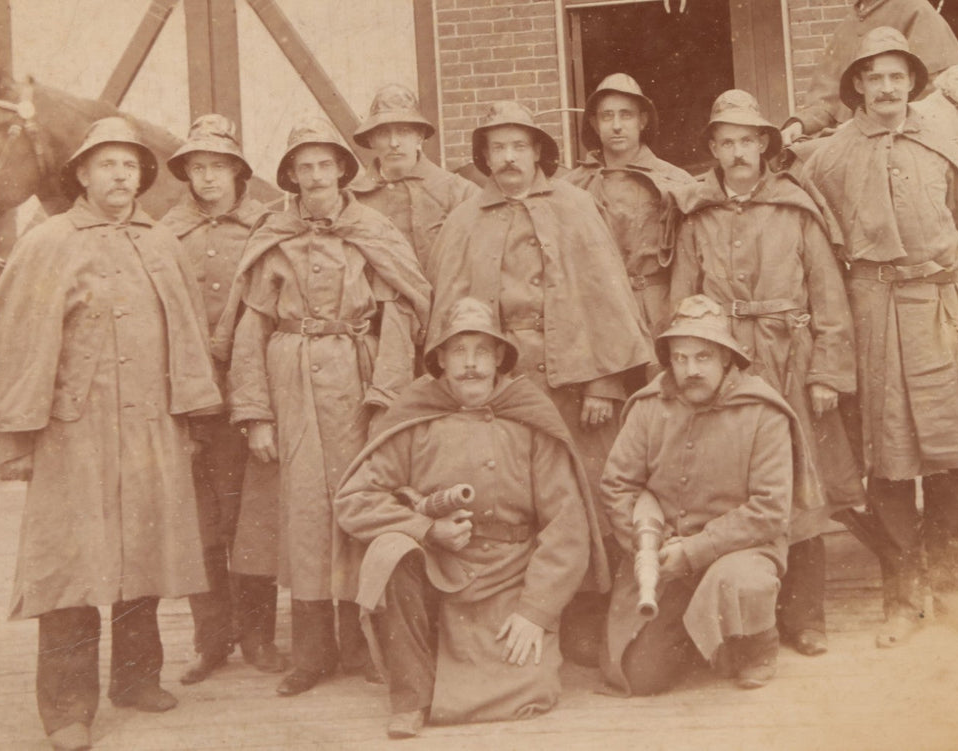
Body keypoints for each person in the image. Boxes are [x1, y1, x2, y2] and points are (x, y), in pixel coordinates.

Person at [0, 117, 221, 751]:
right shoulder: (49, 242)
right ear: (82, 175)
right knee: (70, 568)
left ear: (142, 176)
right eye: (107, 165)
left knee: (144, 554)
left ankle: (136, 678)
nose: (120, 176)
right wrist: (17, 441)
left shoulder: (161, 243)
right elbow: (13, 344)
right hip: (76, 434)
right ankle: (67, 708)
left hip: (153, 427)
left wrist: (191, 421)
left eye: (130, 166)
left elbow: (184, 337)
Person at [798, 27, 958, 648]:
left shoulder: (941, 142)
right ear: (857, 85)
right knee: (888, 461)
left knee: (949, 453)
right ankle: (901, 600)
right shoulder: (833, 156)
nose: (887, 88)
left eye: (898, 76)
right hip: (873, 311)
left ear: (912, 82)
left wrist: (952, 292)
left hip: (941, 309)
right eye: (875, 77)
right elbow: (825, 251)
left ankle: (950, 590)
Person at [425, 100, 654, 664]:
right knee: (512, 496)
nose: (508, 158)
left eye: (519, 146)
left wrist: (605, 382)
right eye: (497, 148)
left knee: (581, 497)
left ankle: (587, 615)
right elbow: (450, 309)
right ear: (483, 156)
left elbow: (606, 296)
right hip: (496, 386)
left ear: (537, 152)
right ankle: (523, 613)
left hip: (572, 384)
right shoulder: (465, 218)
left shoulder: (575, 206)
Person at [220, 116, 433, 696]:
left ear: (343, 168)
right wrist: (256, 413)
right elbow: (251, 326)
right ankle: (312, 653)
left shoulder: (374, 229)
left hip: (356, 376)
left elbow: (402, 314)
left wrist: (386, 394)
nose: (314, 176)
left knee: (360, 503)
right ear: (290, 175)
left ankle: (364, 640)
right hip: (290, 383)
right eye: (302, 167)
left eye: (324, 164)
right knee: (304, 511)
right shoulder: (272, 233)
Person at [335, 297, 607, 738]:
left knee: (529, 693)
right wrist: (426, 528)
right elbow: (355, 499)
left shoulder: (528, 414)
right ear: (440, 358)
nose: (471, 365)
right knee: (390, 550)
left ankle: (497, 654)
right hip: (438, 576)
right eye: (458, 351)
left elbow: (566, 526)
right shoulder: (415, 415)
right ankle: (410, 698)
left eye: (482, 351)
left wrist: (535, 611)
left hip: (508, 577)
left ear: (500, 356)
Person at [666, 89, 860, 657]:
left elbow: (828, 296)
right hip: (724, 363)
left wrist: (826, 372)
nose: (738, 152)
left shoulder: (795, 207)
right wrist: (686, 370)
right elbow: (681, 300)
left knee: (804, 485)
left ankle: (806, 617)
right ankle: (752, 617)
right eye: (725, 142)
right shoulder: (697, 216)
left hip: (790, 362)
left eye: (747, 140)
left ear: (764, 146)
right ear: (713, 150)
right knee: (731, 481)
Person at [600, 295, 819, 694]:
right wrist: (646, 543)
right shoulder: (650, 407)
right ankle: (700, 637)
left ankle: (757, 647)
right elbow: (617, 484)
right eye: (680, 358)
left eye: (702, 357)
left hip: (740, 551)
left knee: (742, 580)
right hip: (667, 553)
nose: (690, 370)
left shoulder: (763, 412)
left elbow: (770, 510)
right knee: (640, 676)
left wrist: (696, 549)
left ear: (725, 359)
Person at [159, 114, 285, 684]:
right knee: (200, 523)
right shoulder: (167, 232)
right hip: (188, 397)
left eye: (218, 167)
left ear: (238, 171)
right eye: (197, 168)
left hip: (250, 393)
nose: (208, 179)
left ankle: (258, 636)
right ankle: (211, 640)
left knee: (250, 519)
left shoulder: (268, 226)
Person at [564, 74, 695, 334]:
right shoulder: (571, 188)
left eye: (626, 115)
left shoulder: (676, 182)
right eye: (606, 116)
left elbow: (691, 260)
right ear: (594, 123)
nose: (616, 126)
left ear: (642, 120)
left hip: (656, 311)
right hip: (597, 314)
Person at [781, 0, 958, 145]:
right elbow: (826, 99)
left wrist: (871, 123)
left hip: (906, 139)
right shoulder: (849, 24)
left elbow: (939, 94)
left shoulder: (915, 9)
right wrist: (801, 124)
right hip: (850, 139)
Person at [351, 83, 478, 271]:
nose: (394, 143)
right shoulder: (352, 198)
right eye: (384, 133)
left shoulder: (459, 192)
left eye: (403, 132)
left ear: (420, 136)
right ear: (371, 140)